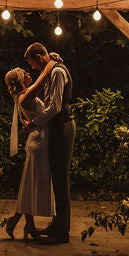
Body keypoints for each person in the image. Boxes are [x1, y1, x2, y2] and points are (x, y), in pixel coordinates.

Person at [0, 57, 57, 240]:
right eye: (23, 73)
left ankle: (17, 221)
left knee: (30, 185)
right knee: (32, 185)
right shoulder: (25, 97)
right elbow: (45, 76)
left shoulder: (24, 95)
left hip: (39, 140)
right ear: (19, 80)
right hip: (39, 143)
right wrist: (51, 61)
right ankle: (29, 227)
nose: (27, 73)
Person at [24, 41, 75, 244]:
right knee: (57, 178)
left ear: (39, 57)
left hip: (63, 126)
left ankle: (62, 231)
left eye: (33, 65)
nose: (34, 70)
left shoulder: (57, 72)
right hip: (57, 127)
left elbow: (54, 106)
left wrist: (34, 123)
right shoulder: (52, 69)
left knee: (61, 179)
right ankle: (57, 224)